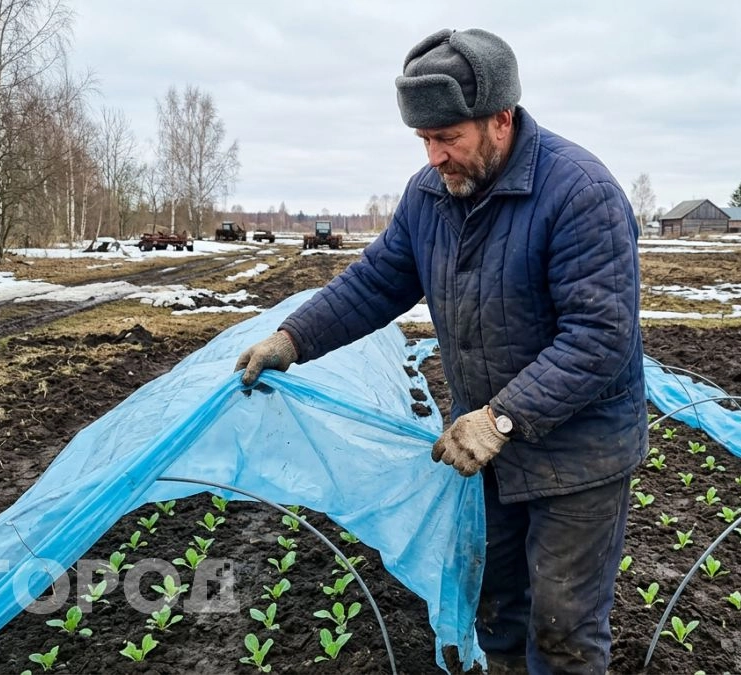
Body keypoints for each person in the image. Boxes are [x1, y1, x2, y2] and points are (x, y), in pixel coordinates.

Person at [235, 27, 645, 675]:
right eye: (423, 139)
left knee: (563, 627)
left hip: (579, 454)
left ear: (501, 119)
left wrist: (501, 417)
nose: (435, 156)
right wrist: (294, 338)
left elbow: (600, 337)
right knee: (498, 611)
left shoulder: (579, 193)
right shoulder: (429, 195)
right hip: (489, 451)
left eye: (448, 137)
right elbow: (377, 281)